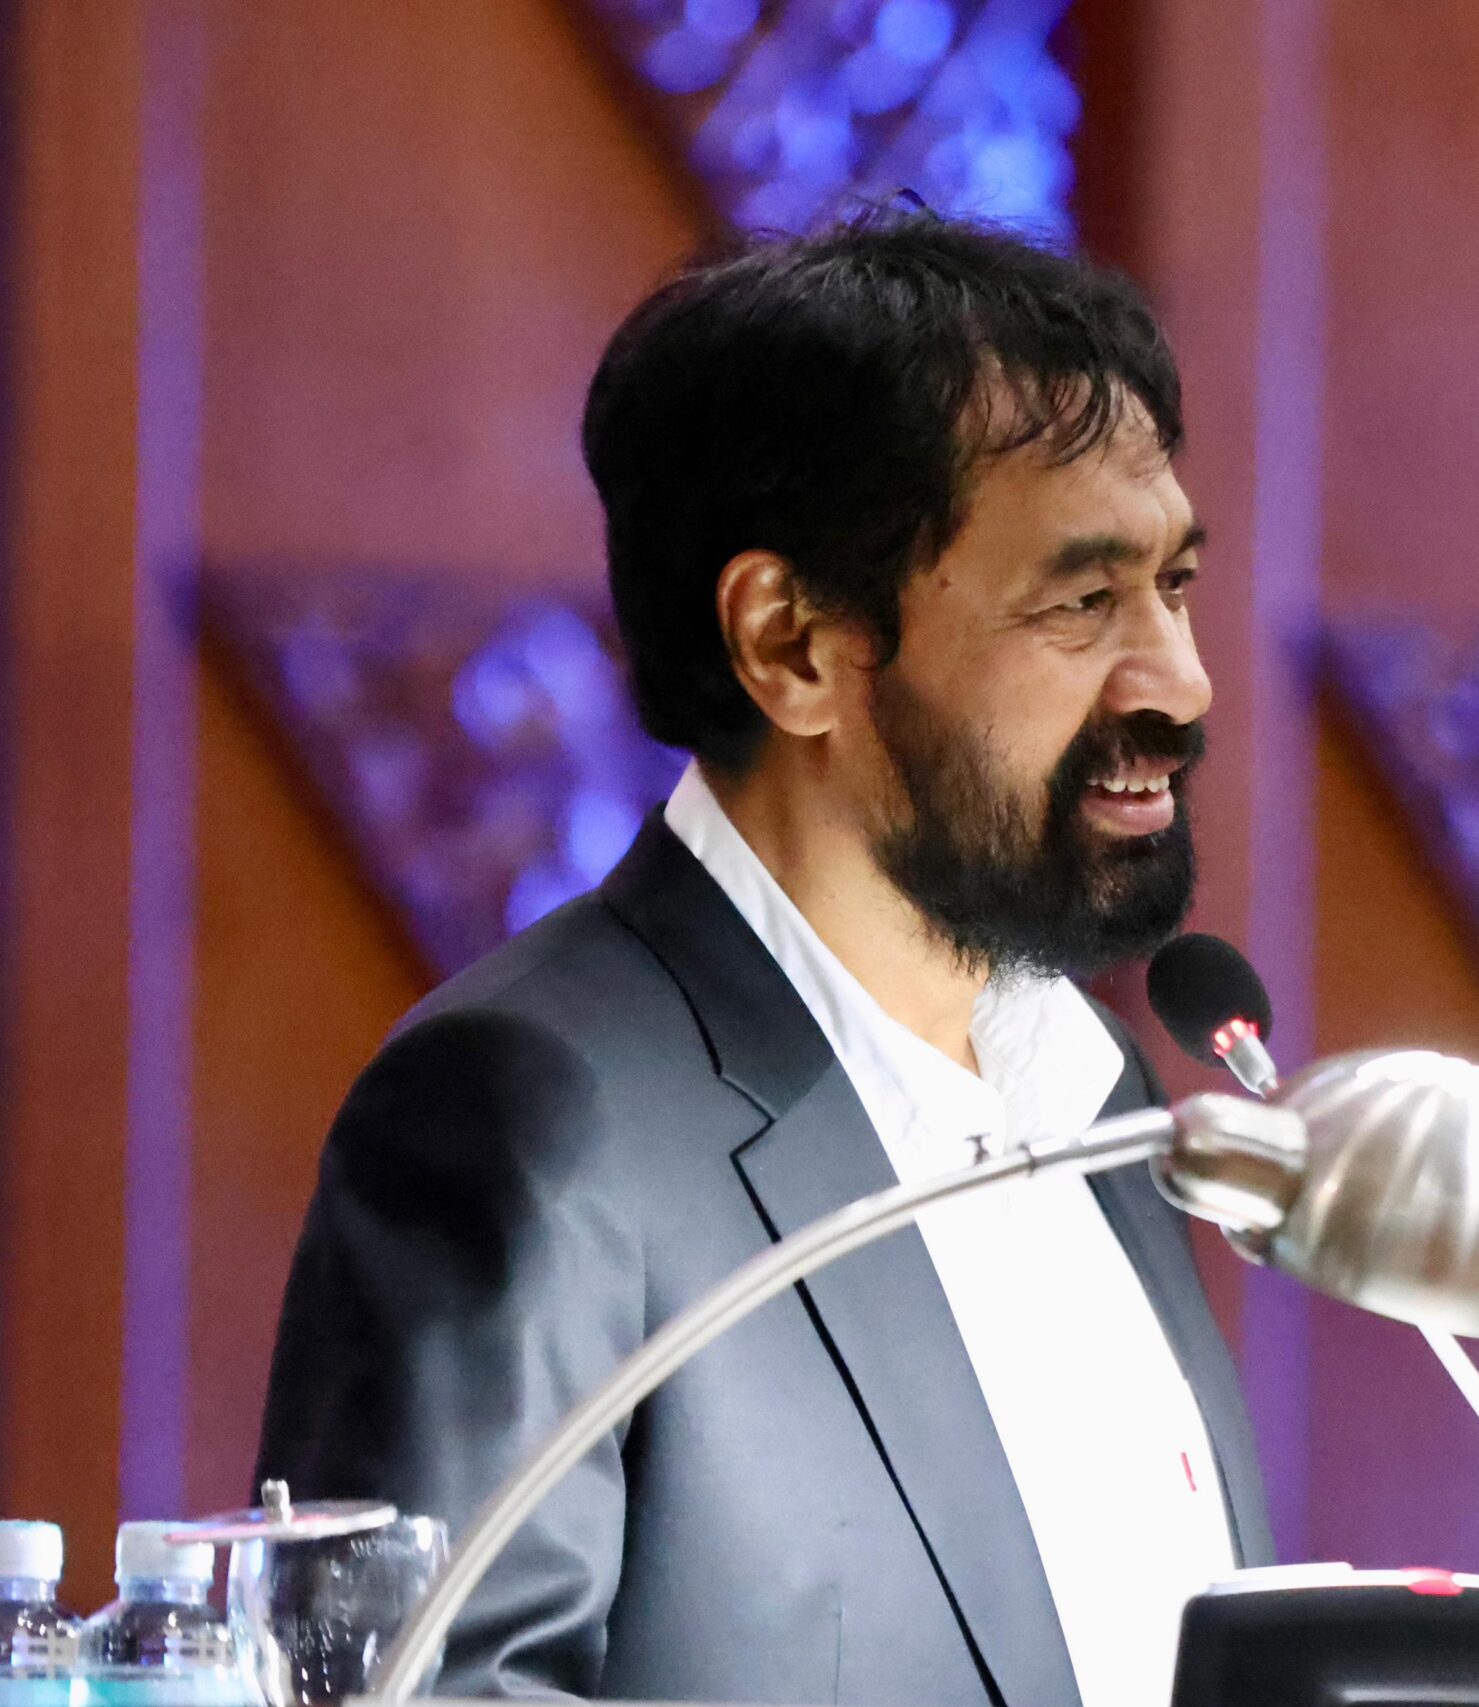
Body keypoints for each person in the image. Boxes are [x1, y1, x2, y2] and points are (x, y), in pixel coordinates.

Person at [255, 211, 1268, 1706]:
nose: (1181, 682)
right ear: (791, 644)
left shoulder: (1096, 1088)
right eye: (1082, 602)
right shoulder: (534, 1115)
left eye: (1174, 587)